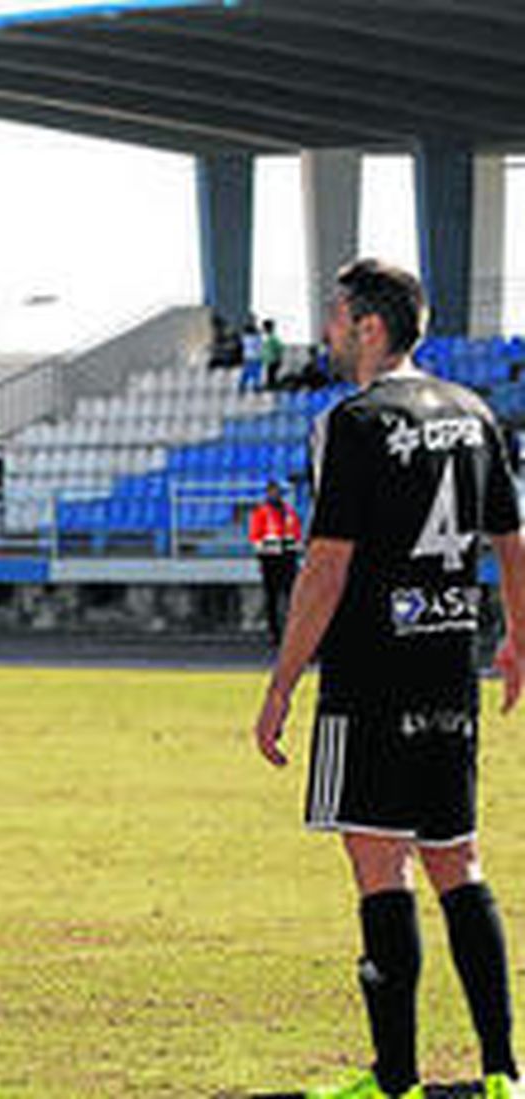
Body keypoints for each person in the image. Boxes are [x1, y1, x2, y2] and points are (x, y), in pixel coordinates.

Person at [254, 259, 525, 1099]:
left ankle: (396, 1076)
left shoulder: (353, 420)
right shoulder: (475, 415)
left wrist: (282, 681)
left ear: (371, 326)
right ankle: (503, 1070)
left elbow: (326, 567)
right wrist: (516, 636)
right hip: (449, 663)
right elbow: (512, 542)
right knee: (458, 861)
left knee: (380, 867)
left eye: (336, 316)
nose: (328, 331)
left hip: (371, 670)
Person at [247, 480, 301, 647]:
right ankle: (275, 634)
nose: (276, 493)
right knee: (272, 598)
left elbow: (296, 535)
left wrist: (291, 547)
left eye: (278, 491)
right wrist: (270, 548)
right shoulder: (261, 512)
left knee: (292, 598)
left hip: (288, 559)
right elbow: (255, 537)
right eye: (273, 491)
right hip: (270, 560)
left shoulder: (289, 512)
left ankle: (292, 634)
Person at [260, 317, 285, 390]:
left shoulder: (273, 337)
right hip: (271, 359)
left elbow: (280, 348)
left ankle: (272, 386)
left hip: (274, 359)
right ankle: (271, 385)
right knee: (270, 374)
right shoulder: (270, 337)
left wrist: (277, 357)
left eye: (264, 327)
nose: (263, 329)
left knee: (271, 374)